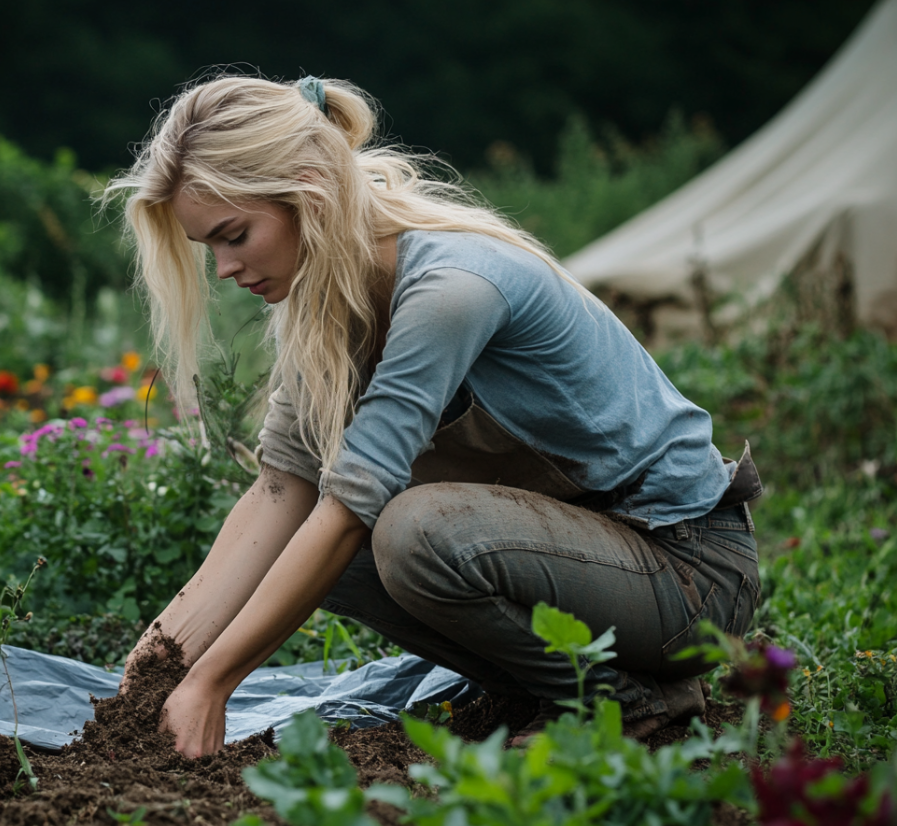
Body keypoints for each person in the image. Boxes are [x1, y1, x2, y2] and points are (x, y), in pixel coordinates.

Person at [103, 74, 763, 758]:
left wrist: (214, 684)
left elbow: (357, 502)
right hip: (588, 568)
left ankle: (626, 703)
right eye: (208, 246)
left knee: (411, 531)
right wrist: (152, 675)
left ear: (309, 190)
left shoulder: (451, 288)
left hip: (688, 572)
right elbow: (281, 491)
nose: (224, 267)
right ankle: (547, 688)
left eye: (234, 235)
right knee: (333, 543)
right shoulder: (317, 306)